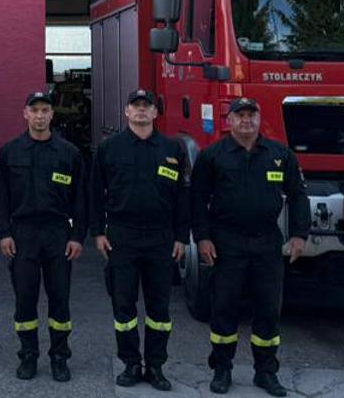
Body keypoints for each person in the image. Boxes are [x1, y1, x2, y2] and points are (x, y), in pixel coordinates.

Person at [193, 98, 309, 396]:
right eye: (239, 115)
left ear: (259, 119)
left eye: (251, 115)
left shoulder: (280, 155)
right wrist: (203, 237)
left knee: (269, 309)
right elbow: (197, 199)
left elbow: (297, 195)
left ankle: (266, 372)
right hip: (226, 241)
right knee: (224, 308)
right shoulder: (212, 156)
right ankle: (221, 369)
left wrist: (299, 234)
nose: (246, 121)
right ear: (229, 120)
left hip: (266, 242)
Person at [90, 89, 190, 391]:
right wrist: (97, 232)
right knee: (124, 306)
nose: (142, 111)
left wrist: (181, 237)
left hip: (161, 238)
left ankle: (156, 366)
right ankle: (131, 364)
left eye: (147, 107)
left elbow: (184, 197)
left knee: (159, 309)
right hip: (122, 236)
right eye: (136, 106)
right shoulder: (110, 148)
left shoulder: (173, 148)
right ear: (127, 112)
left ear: (155, 114)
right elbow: (94, 193)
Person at [0, 90, 87, 382]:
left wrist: (77, 237)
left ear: (52, 114)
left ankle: (60, 357)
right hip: (22, 234)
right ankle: (28, 357)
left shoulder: (69, 153)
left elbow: (81, 200)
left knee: (59, 300)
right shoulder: (10, 151)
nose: (39, 115)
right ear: (25, 114)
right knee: (25, 300)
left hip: (57, 234)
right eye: (33, 110)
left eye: (44, 110)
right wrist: (4, 233)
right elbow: (1, 197)